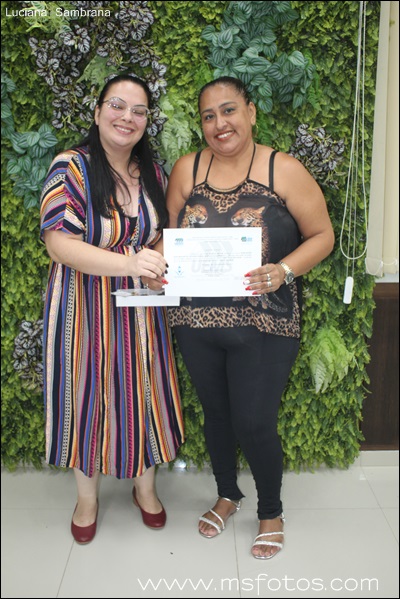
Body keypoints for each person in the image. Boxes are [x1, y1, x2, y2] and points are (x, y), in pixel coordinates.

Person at [165, 76, 334, 559]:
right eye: (209, 116)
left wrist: (283, 270)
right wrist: (157, 268)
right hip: (196, 323)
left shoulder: (285, 170)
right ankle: (227, 494)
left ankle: (271, 511)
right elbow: (170, 236)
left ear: (251, 112)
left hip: (265, 325)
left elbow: (322, 235)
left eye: (229, 110)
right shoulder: (187, 169)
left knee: (255, 421)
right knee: (216, 415)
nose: (220, 123)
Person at [40, 74, 184, 544]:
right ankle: (87, 498)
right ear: (98, 111)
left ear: (147, 121)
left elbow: (163, 235)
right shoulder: (71, 166)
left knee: (144, 391)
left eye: (139, 111)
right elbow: (58, 243)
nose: (127, 117)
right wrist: (128, 263)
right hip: (82, 308)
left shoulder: (154, 173)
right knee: (84, 396)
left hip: (141, 309)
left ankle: (145, 488)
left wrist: (157, 260)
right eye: (118, 106)